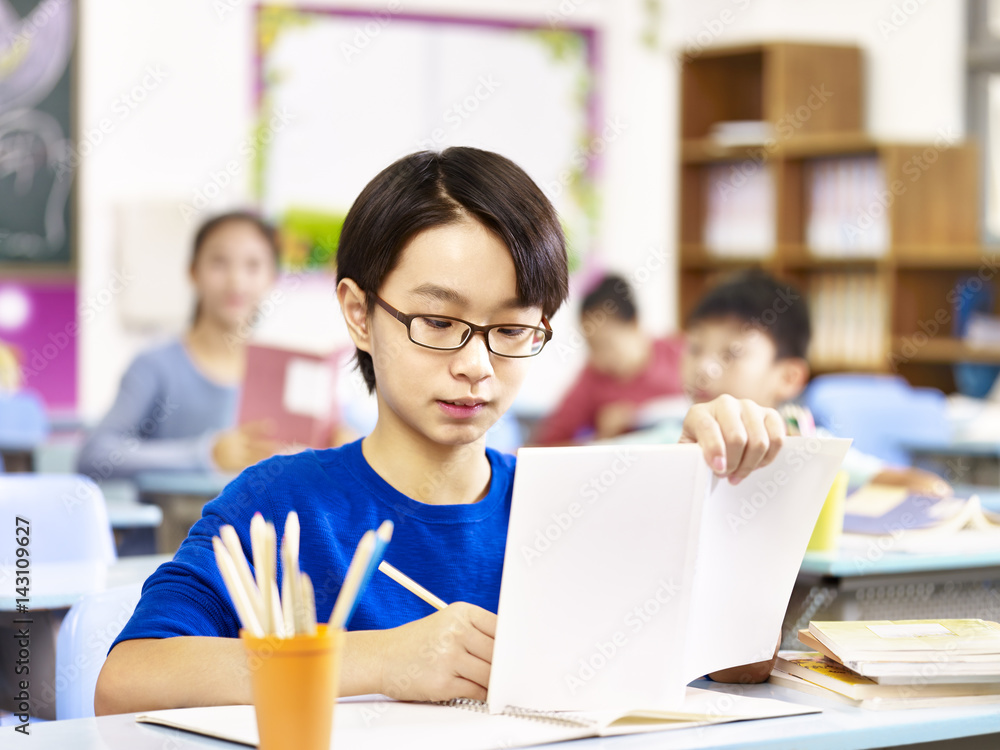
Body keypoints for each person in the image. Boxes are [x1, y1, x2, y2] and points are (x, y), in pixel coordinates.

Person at [95, 148, 787, 715]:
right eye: (438, 323)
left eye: (512, 329)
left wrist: (727, 494)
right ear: (360, 314)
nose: (477, 366)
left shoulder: (569, 505)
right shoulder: (282, 506)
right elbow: (126, 681)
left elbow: (739, 668)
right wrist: (379, 659)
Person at [679, 270, 951, 495]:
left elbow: (922, 485)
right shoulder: (673, 438)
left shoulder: (803, 443)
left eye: (732, 354)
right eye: (695, 349)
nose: (705, 368)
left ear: (788, 377)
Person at [76, 212, 283, 480]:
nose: (236, 281)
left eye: (253, 265)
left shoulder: (285, 372)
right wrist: (203, 455)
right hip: (175, 521)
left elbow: (349, 432)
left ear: (272, 278)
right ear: (193, 272)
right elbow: (94, 456)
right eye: (219, 262)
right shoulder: (154, 366)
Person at [532, 273, 685, 444]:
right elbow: (547, 443)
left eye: (605, 345)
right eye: (591, 347)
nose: (600, 359)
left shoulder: (681, 354)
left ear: (633, 324)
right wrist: (600, 437)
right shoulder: (591, 378)